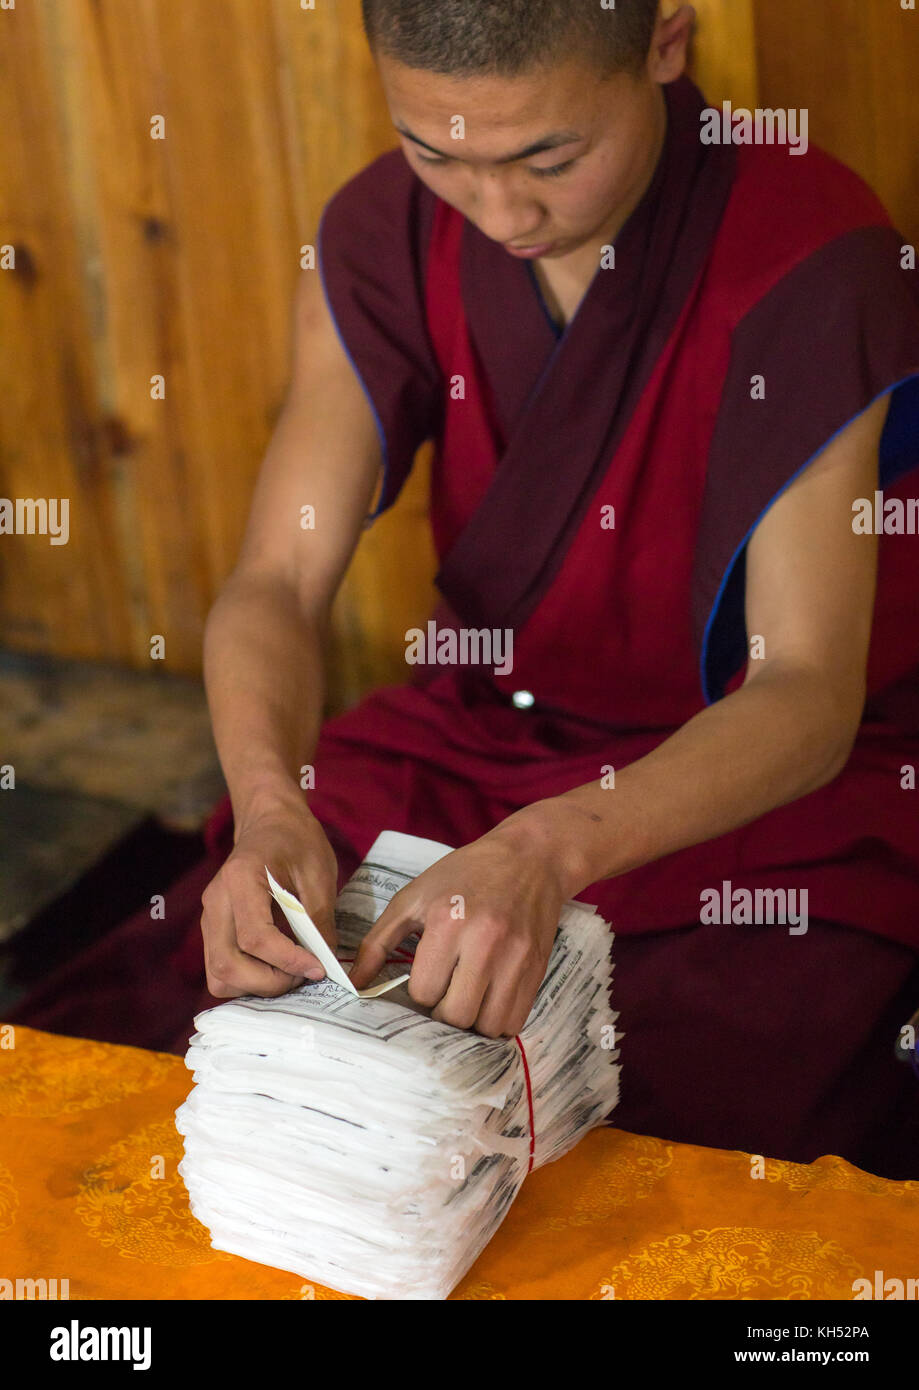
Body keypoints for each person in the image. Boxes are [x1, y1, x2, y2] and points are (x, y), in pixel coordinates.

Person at [11, 1, 919, 1177]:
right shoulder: (380, 228)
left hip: (749, 789)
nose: (499, 214)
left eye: (550, 157)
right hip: (479, 733)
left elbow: (803, 692)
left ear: (663, 43)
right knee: (177, 1053)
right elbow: (279, 579)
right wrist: (271, 806)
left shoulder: (809, 247)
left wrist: (539, 855)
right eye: (437, 153)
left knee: (677, 1122)